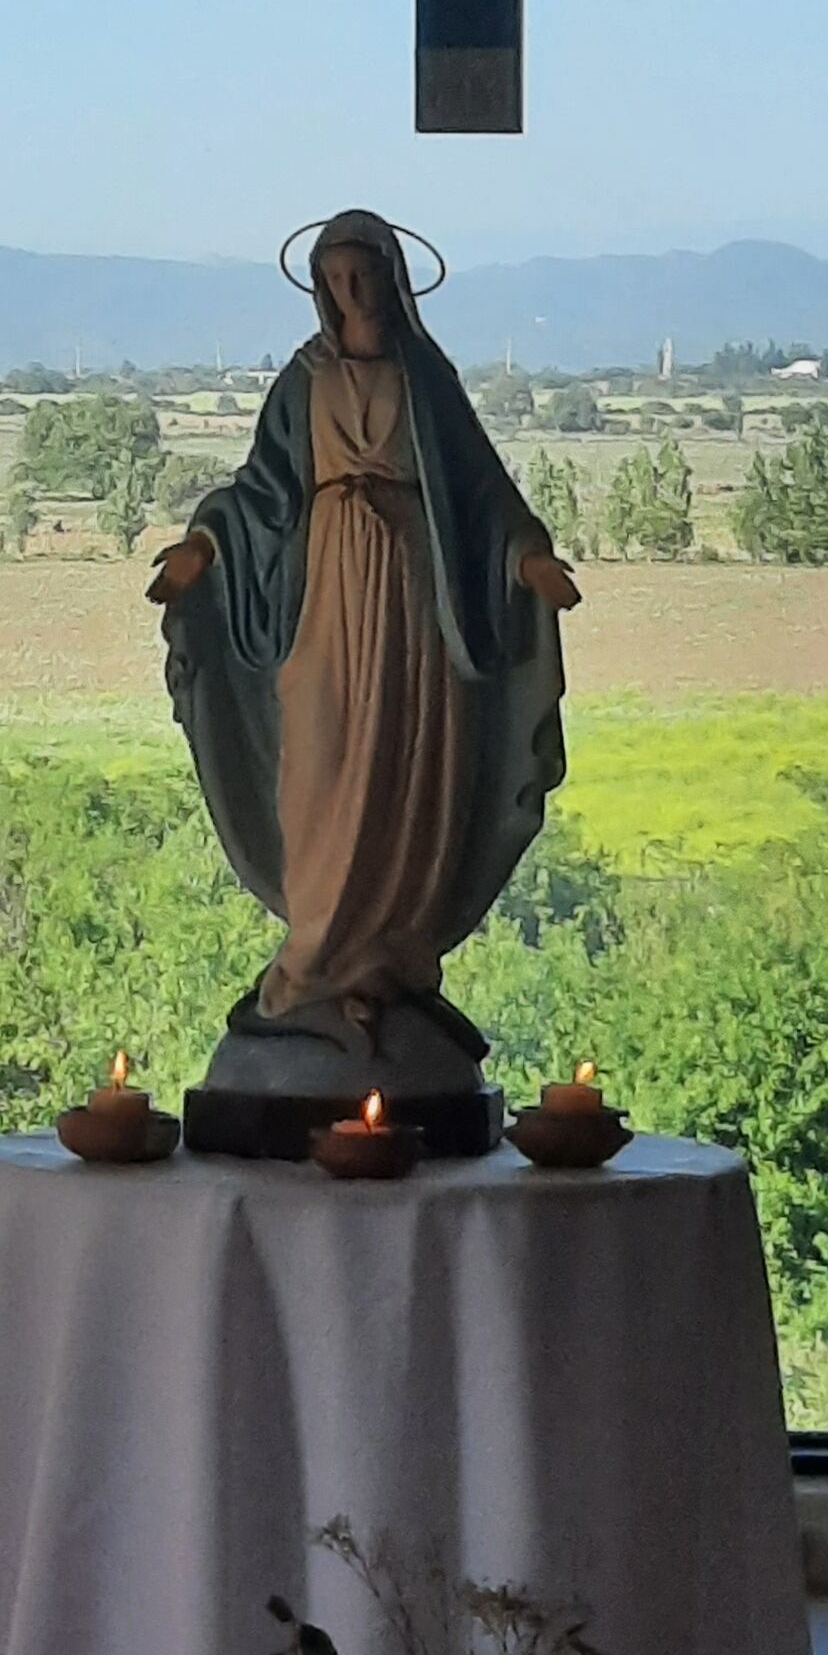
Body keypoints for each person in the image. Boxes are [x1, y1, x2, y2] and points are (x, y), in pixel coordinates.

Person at [150, 211, 578, 1049]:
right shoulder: (302, 384)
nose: (353, 292)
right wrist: (203, 547)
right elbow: (260, 492)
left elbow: (482, 492)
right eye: (337, 278)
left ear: (392, 277)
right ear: (320, 288)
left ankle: (388, 962)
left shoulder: (427, 381)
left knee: (409, 767)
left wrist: (528, 560)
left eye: (365, 275)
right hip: (325, 594)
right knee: (321, 760)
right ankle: (313, 958)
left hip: (418, 598)